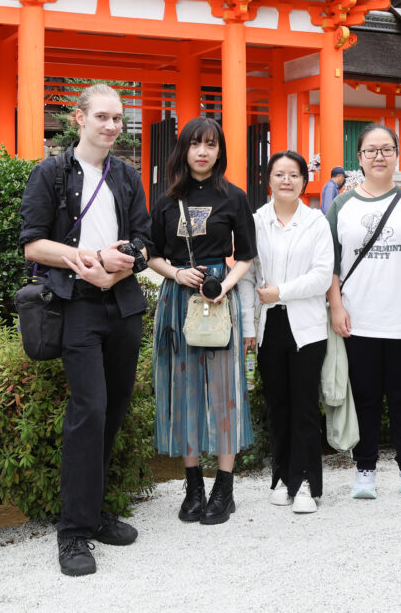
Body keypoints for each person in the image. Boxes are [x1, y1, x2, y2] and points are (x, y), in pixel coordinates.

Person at [19, 84, 151, 576]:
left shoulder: (127, 175)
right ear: (79, 118)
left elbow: (143, 238)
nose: (112, 126)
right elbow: (33, 245)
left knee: (114, 408)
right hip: (76, 306)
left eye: (118, 118)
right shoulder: (50, 173)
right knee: (88, 409)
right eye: (103, 117)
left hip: (122, 304)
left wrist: (122, 264)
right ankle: (73, 533)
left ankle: (94, 516)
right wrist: (86, 259)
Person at [147, 116, 256, 526]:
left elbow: (246, 255)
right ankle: (193, 487)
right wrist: (176, 273)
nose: (203, 152)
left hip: (217, 301)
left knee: (224, 392)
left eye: (211, 144)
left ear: (219, 151)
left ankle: (224, 489)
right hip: (178, 301)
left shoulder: (234, 197)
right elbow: (151, 253)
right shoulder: (164, 199)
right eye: (196, 144)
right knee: (184, 393)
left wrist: (224, 285)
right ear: (184, 149)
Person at [327, 123, 401, 501]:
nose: (379, 156)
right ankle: (365, 468)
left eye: (386, 149)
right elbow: (332, 263)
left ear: (396, 155)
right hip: (358, 317)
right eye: (371, 150)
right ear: (359, 158)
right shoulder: (342, 205)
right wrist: (336, 306)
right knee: (365, 396)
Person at [240, 151, 333, 514]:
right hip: (268, 325)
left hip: (306, 326)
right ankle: (281, 476)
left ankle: (307, 481)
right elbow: (247, 274)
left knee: (305, 406)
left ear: (303, 181)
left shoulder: (316, 222)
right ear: (269, 180)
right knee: (277, 405)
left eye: (294, 175)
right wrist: (249, 324)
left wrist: (281, 291)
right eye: (279, 174)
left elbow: (322, 275)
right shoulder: (256, 220)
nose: (287, 181)